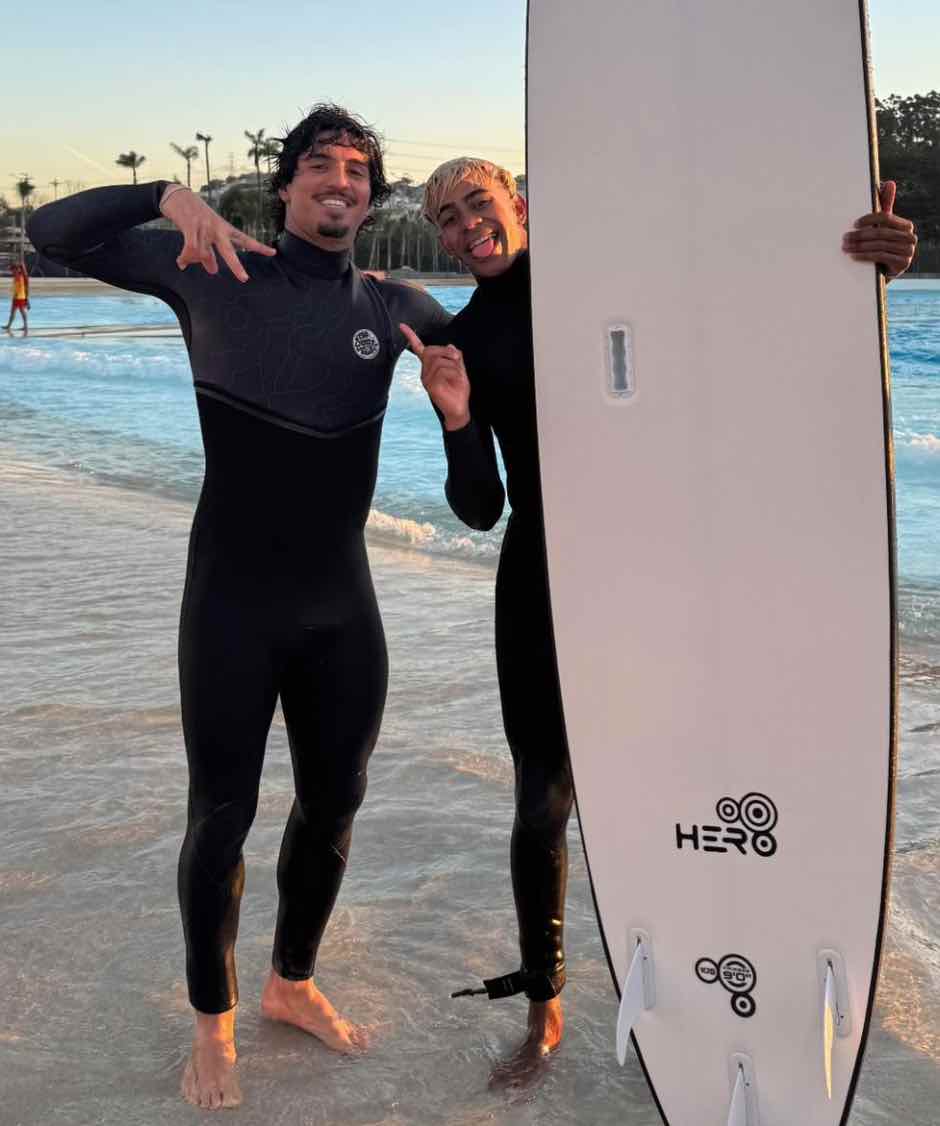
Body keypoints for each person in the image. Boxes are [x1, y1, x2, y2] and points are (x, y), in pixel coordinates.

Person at [401, 158, 917, 1083]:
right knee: (542, 798)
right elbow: (480, 509)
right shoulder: (463, 339)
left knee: (695, 773)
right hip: (542, 576)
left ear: (520, 203)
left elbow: (741, 308)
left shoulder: (613, 286)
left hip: (656, 569)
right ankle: (546, 1005)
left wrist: (858, 267)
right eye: (445, 216)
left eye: (479, 203)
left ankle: (726, 971)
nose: (465, 225)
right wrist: (455, 416)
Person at [27, 104, 450, 1112]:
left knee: (335, 801)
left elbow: (513, 353)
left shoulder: (395, 304)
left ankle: (290, 982)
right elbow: (52, 234)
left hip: (341, 607)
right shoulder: (212, 269)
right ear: (285, 185)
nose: (339, 181)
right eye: (320, 166)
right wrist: (166, 195)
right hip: (231, 603)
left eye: (357, 170)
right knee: (221, 813)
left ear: (371, 196)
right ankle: (212, 1023)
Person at [4, 262, 30, 335]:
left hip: (20, 297)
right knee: (12, 312)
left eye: (12, 270)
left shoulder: (20, 276)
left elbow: (21, 287)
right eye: (11, 270)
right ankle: (9, 326)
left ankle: (25, 326)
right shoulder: (16, 276)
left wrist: (26, 299)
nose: (12, 271)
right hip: (16, 297)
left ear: (16, 269)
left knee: (22, 312)